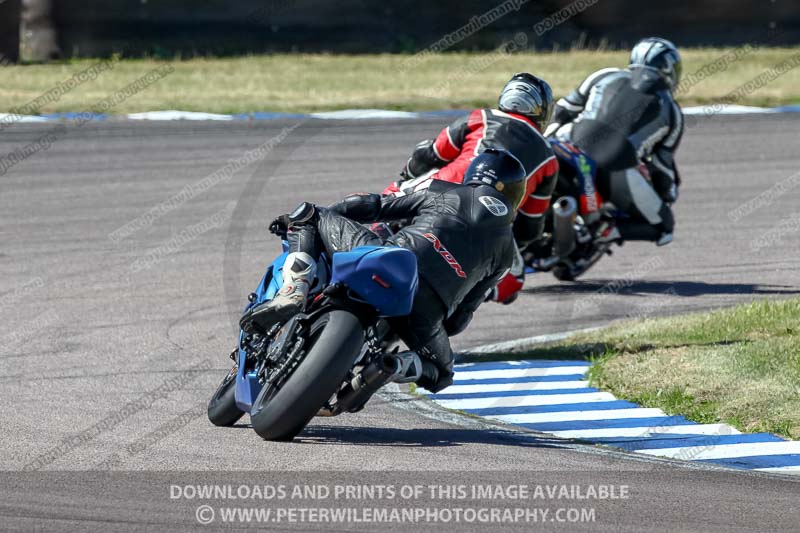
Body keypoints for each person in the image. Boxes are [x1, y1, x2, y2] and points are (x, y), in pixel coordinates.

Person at [239, 149, 525, 393]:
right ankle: (389, 366)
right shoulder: (507, 254)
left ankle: (294, 290)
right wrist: (437, 318)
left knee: (308, 214)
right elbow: (459, 320)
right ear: (514, 194)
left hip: (391, 260)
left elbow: (375, 206)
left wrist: (334, 212)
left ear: (473, 175)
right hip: (425, 312)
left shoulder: (445, 190)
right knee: (443, 374)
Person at [384, 72, 559, 304]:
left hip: (438, 189)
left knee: (387, 199)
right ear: (543, 111)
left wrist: (407, 177)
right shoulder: (549, 159)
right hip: (487, 220)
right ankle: (460, 296)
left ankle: (349, 249)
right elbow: (530, 224)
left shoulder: (481, 117)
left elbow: (430, 153)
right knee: (512, 281)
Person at [545, 37, 684, 246]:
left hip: (567, 141)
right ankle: (605, 230)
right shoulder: (673, 111)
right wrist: (668, 193)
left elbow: (562, 111)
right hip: (615, 166)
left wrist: (545, 139)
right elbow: (661, 166)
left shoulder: (604, 74)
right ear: (668, 69)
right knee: (665, 226)